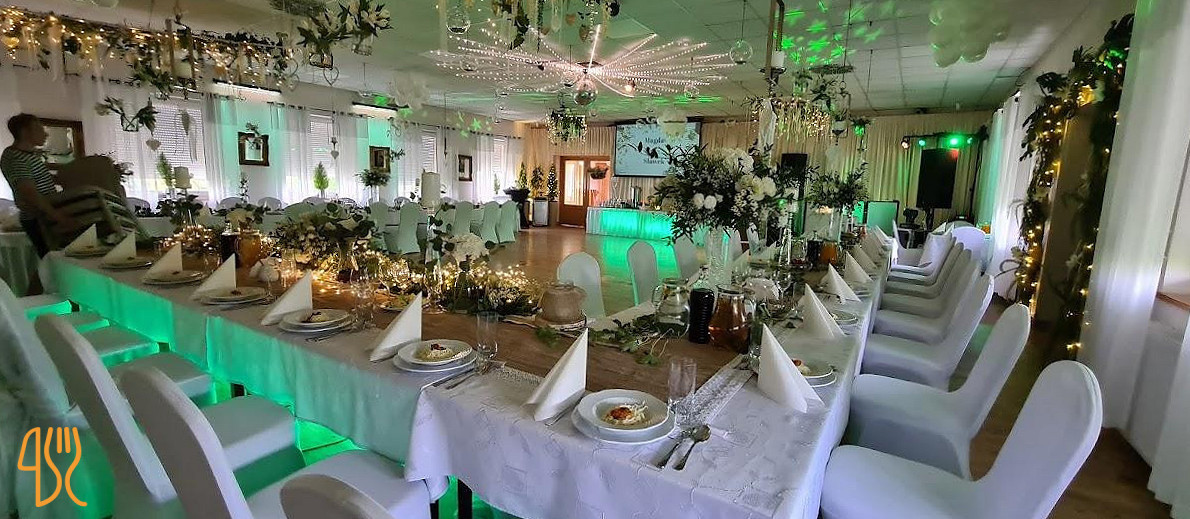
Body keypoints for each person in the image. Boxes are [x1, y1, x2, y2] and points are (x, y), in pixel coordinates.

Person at [1, 113, 72, 257]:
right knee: (53, 260)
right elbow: (29, 193)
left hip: (44, 216)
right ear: (24, 132)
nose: (45, 134)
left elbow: (43, 180)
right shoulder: (15, 157)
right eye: (39, 129)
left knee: (57, 259)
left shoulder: (28, 155)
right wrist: (56, 215)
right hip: (39, 219)